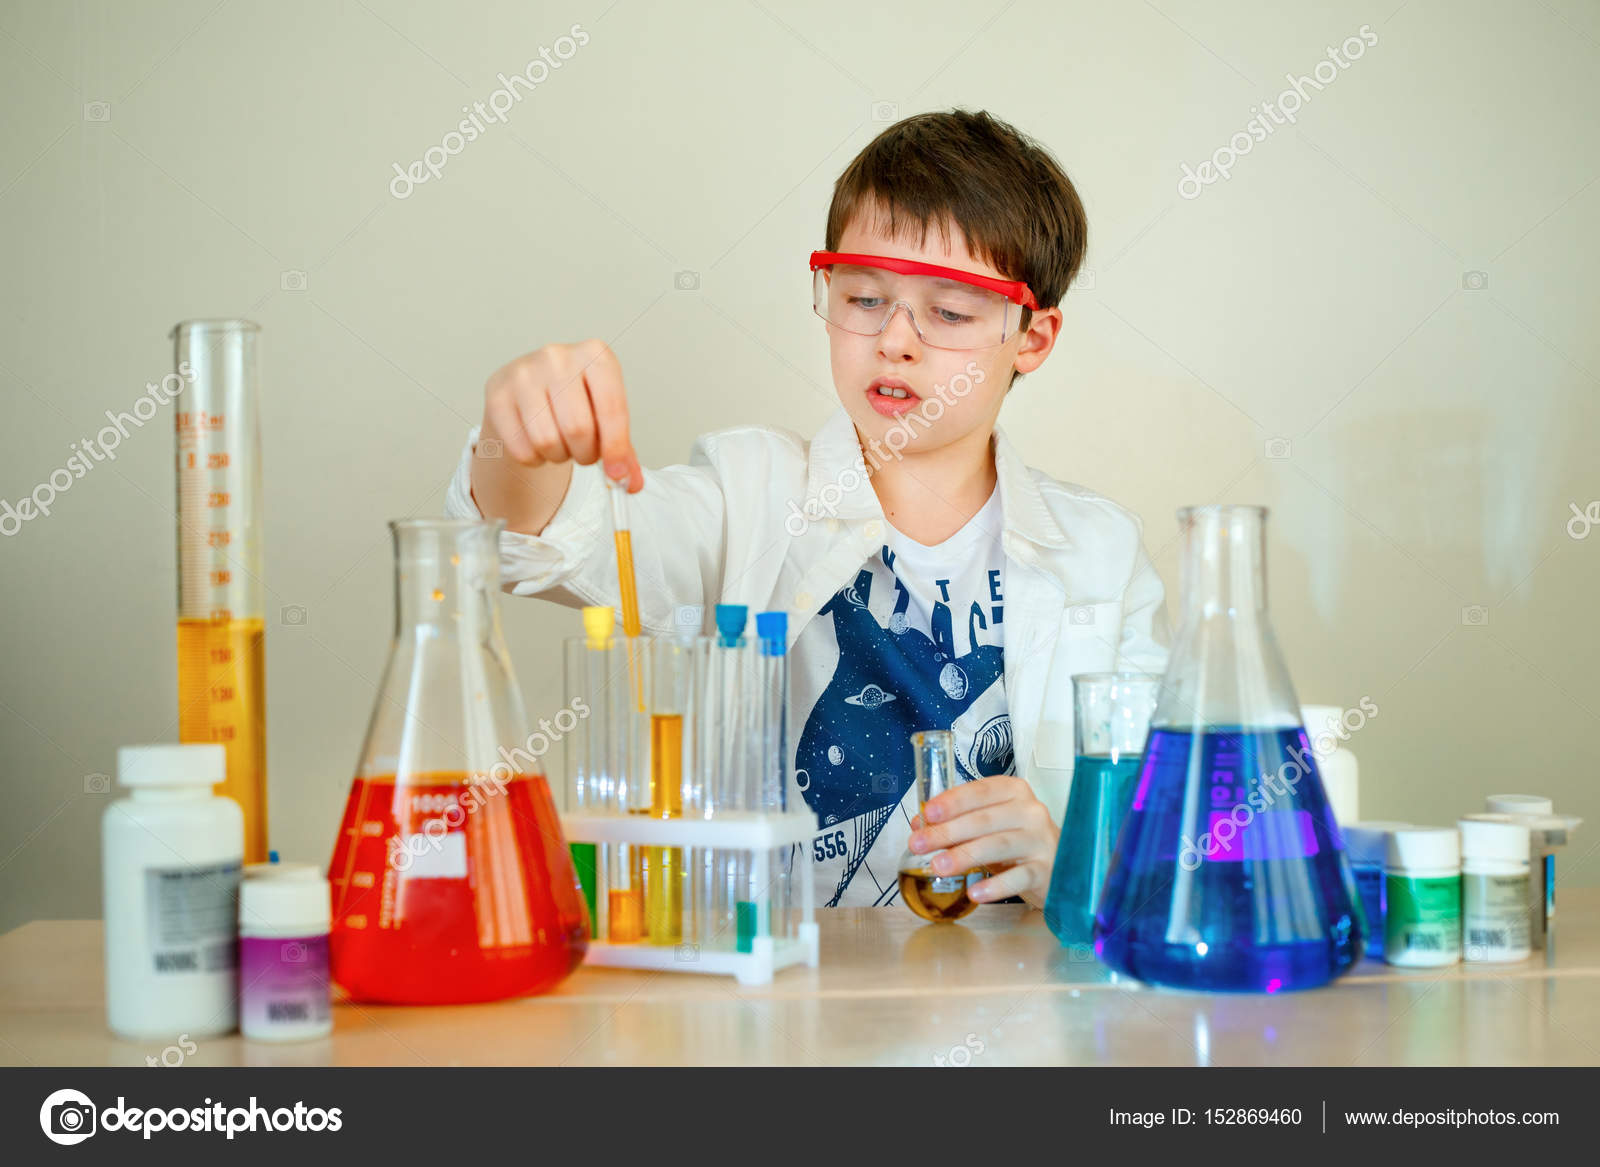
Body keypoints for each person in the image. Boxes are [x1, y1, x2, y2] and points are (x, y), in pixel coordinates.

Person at [446, 109, 1170, 912]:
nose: (895, 339)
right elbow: (538, 540)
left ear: (1031, 336)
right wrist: (514, 439)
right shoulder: (747, 491)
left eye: (951, 313)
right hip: (779, 1010)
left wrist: (1070, 861)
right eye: (864, 296)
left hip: (1017, 1017)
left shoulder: (1099, 550)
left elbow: (1169, 853)